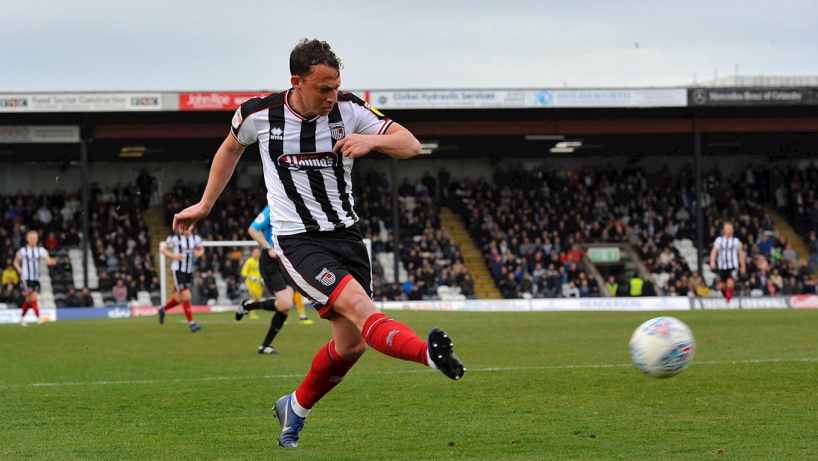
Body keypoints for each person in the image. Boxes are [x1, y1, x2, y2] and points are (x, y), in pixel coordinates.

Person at [173, 39, 464, 448]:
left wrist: (372, 141)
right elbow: (229, 149)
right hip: (298, 240)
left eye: (336, 86)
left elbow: (411, 144)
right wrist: (205, 204)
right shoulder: (259, 115)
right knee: (363, 310)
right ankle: (430, 356)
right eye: (323, 88)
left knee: (351, 344)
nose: (331, 96)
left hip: (347, 236)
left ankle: (295, 406)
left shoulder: (350, 110)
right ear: (297, 81)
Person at [235, 205, 314, 355]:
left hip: (287, 259)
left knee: (286, 306)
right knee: (285, 303)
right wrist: (268, 247)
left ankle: (265, 345)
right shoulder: (274, 207)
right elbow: (253, 229)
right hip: (271, 261)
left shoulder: (299, 207)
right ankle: (249, 306)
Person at [158, 227, 205, 332]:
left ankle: (163, 309)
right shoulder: (174, 238)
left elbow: (201, 249)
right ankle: (192, 323)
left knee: (179, 299)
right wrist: (174, 256)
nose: (187, 228)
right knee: (187, 296)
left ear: (192, 226)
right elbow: (164, 250)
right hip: (178, 271)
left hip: (189, 271)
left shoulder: (196, 238)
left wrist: (199, 253)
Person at [14, 230, 56, 326]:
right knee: (33, 297)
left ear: (37, 239)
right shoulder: (23, 251)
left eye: (34, 238)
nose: (32, 240)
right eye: (31, 238)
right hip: (26, 278)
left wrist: (52, 261)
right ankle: (39, 318)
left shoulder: (41, 250)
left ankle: (21, 319)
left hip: (36, 278)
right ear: (27, 239)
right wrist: (19, 269)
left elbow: (48, 261)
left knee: (29, 300)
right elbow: (15, 262)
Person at [710, 222, 746, 305]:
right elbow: (714, 251)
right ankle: (727, 298)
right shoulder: (719, 240)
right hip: (722, 266)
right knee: (721, 286)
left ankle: (728, 302)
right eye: (727, 229)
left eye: (730, 229)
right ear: (724, 230)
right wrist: (712, 261)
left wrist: (743, 266)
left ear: (732, 230)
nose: (729, 231)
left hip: (732, 265)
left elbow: (740, 254)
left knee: (730, 282)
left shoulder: (736, 241)